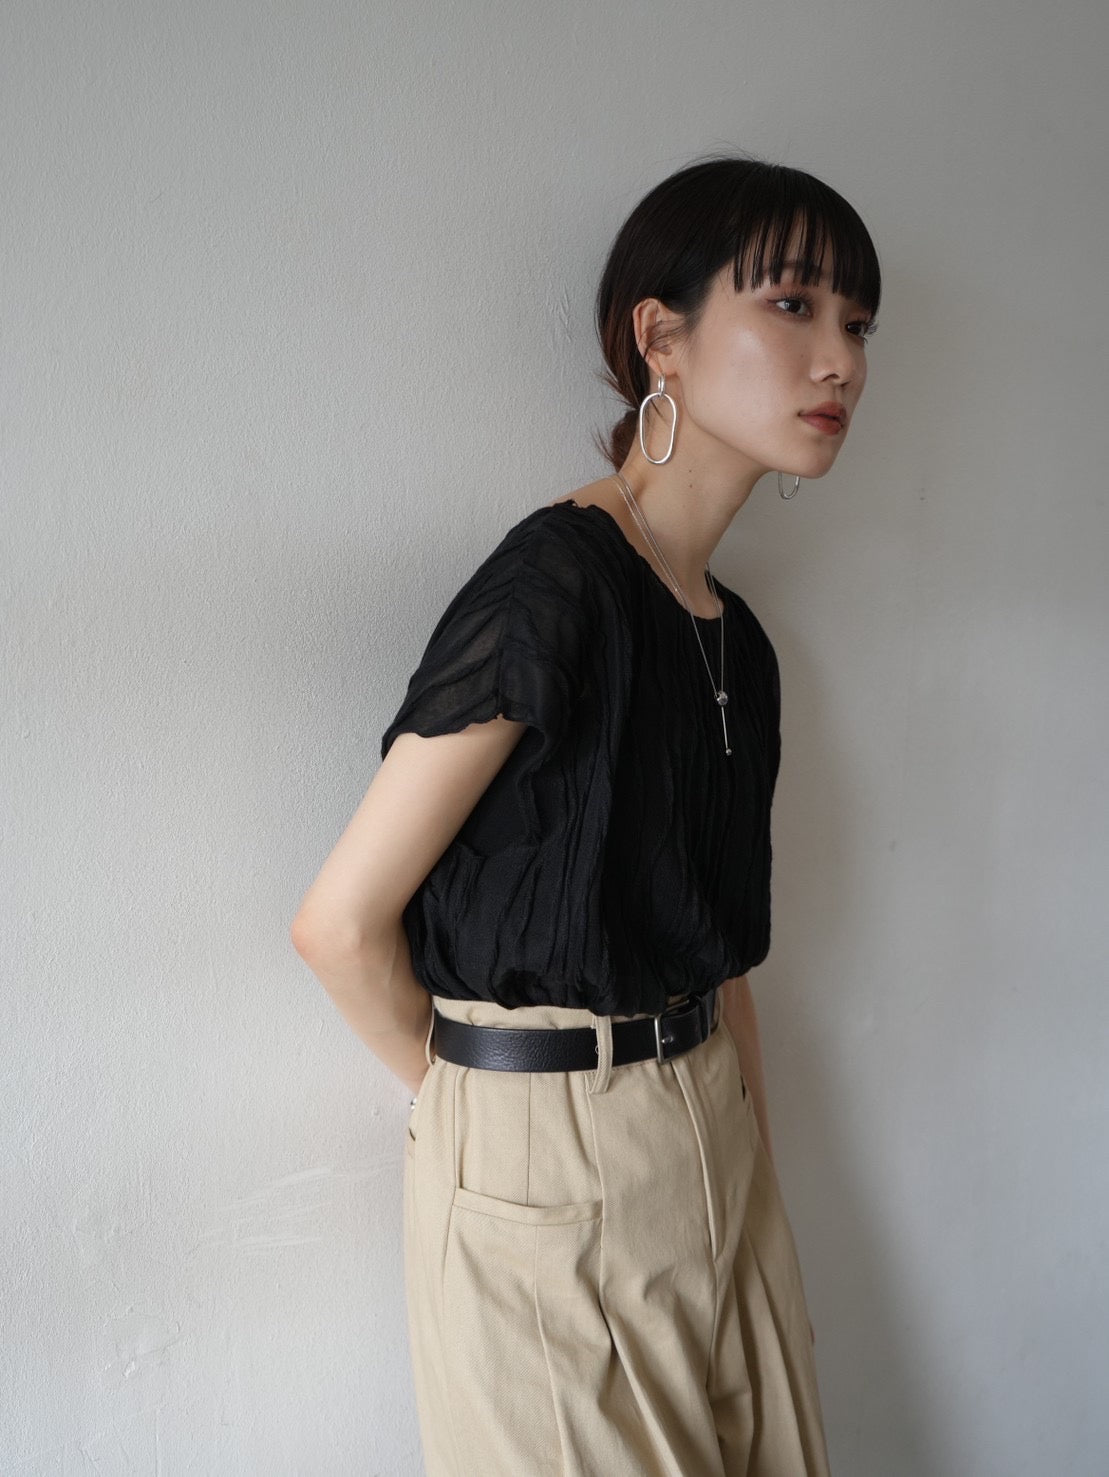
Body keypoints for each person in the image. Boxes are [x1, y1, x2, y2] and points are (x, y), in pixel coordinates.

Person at [291, 151, 881, 1476]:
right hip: (542, 1152)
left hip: (715, 1131)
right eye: (793, 305)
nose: (839, 360)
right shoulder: (555, 582)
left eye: (857, 323)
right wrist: (503, 1121)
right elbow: (338, 923)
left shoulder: (739, 640)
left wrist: (753, 1186)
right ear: (660, 337)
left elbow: (714, 949)